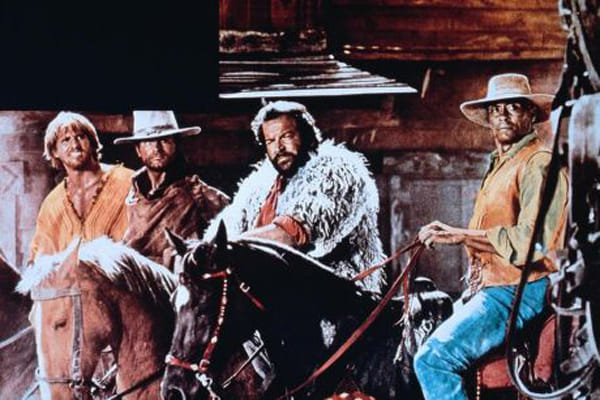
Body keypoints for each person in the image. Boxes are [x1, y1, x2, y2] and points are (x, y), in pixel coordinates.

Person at [413, 73, 569, 400]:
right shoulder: (502, 163)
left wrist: (460, 236)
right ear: (488, 118)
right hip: (491, 285)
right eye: (496, 109)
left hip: (520, 288)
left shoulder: (539, 163)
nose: (503, 115)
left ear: (531, 115)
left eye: (514, 107)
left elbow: (531, 244)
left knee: (432, 360)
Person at [204, 100, 386, 294]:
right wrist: (209, 249)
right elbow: (229, 225)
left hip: (340, 294)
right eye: (270, 141)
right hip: (277, 295)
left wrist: (229, 246)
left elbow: (292, 233)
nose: (279, 147)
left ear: (307, 136)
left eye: (286, 136)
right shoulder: (259, 185)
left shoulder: (338, 171)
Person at [114, 110, 230, 269]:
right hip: (132, 279)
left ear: (176, 144)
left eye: (165, 140)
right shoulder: (132, 196)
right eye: (148, 142)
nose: (157, 148)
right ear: (138, 150)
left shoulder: (200, 195)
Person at [28, 112, 133, 264]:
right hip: (71, 280)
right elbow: (39, 259)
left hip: (125, 276)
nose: (75, 145)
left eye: (80, 137)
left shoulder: (128, 181)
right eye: (66, 140)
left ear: (92, 142)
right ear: (55, 152)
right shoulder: (52, 204)